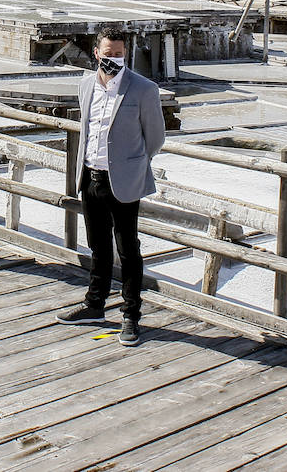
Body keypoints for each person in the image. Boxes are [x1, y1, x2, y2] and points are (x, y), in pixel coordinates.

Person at [56, 27, 165, 348]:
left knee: (128, 249)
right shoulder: (86, 84)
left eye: (119, 54)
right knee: (98, 246)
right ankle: (95, 304)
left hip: (124, 181)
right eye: (109, 53)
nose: (114, 59)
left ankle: (131, 315)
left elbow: (155, 138)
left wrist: (130, 164)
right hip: (91, 176)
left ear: (126, 54)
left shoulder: (144, 89)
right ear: (97, 53)